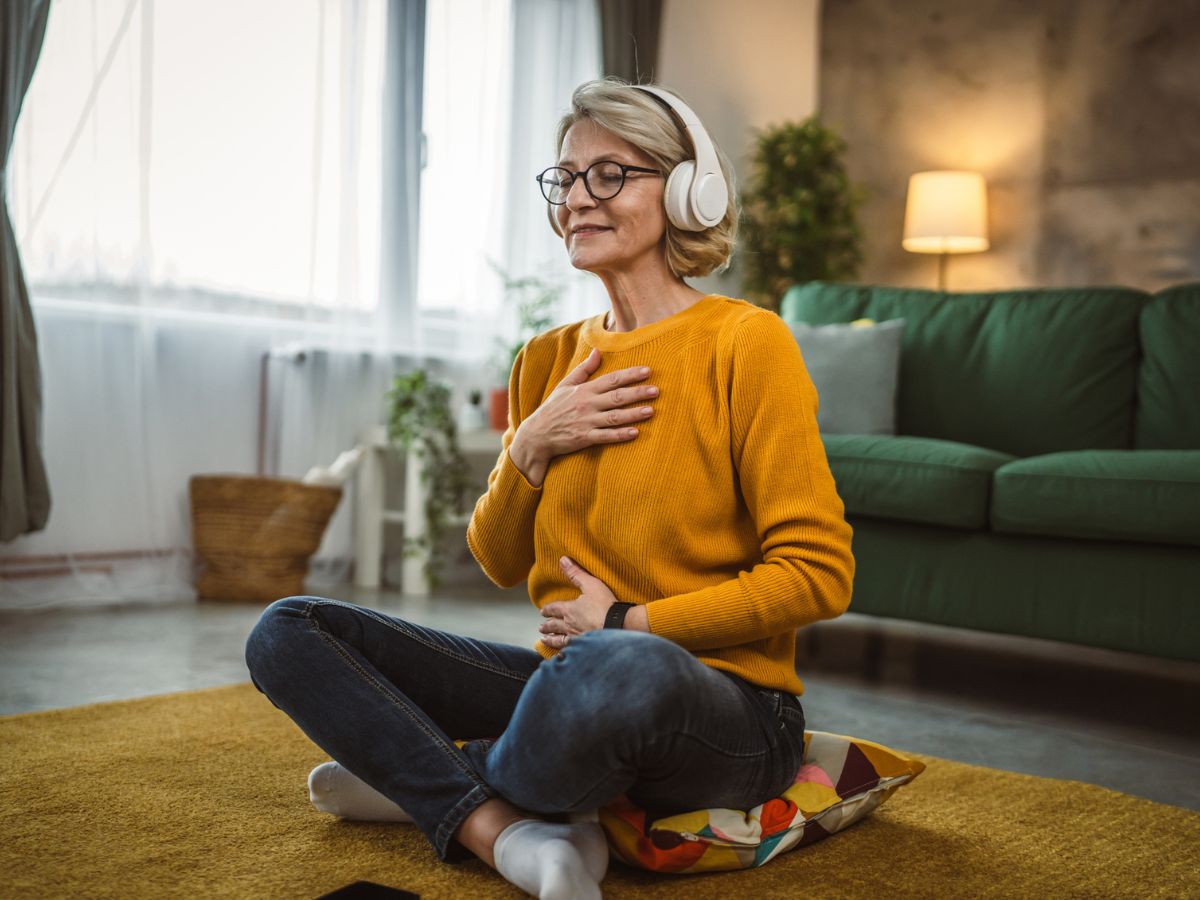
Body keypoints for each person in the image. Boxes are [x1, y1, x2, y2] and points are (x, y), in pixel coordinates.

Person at [244, 77, 854, 899]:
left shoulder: (747, 342)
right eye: (566, 178)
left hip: (723, 707)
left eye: (610, 174)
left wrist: (628, 621)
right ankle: (503, 827)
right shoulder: (544, 359)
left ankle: (430, 781)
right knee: (288, 629)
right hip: (563, 686)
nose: (577, 197)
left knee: (621, 665)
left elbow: (819, 575)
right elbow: (497, 560)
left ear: (685, 192)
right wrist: (530, 444)